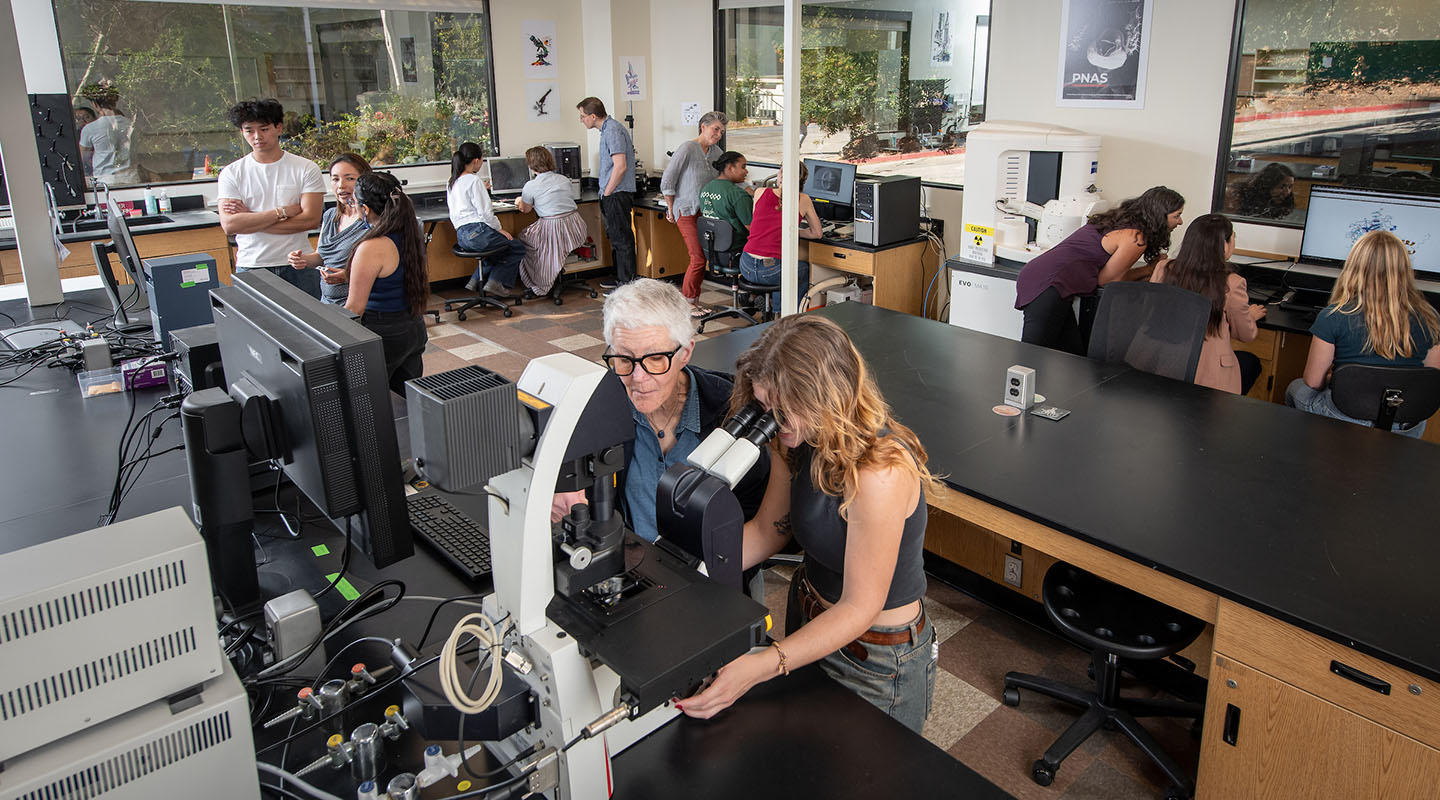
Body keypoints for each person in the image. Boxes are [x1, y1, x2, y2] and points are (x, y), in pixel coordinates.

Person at [679, 314, 940, 733]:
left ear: (825, 397)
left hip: (872, 656)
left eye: (783, 409)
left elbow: (860, 607)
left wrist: (762, 664)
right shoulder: (796, 441)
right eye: (765, 407)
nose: (772, 420)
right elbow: (768, 531)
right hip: (807, 620)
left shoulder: (879, 474)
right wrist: (685, 570)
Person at [551, 279, 769, 548]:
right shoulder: (594, 406)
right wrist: (555, 486)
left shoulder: (731, 408)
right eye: (624, 358)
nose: (638, 378)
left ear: (686, 353)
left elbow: (757, 507)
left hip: (718, 567)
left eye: (655, 358)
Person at [1285, 230, 1440, 437]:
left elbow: (1313, 381)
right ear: (1404, 270)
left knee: (1296, 388)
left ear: (1354, 267)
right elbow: (1429, 378)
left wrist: (1340, 379)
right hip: (1405, 424)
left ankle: (1306, 449)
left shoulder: (1333, 316)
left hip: (1345, 417)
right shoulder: (1430, 318)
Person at [1014, 186, 1185, 355]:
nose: (1180, 221)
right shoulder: (1136, 238)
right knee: (1032, 356)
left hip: (1044, 278)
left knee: (1073, 357)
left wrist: (1148, 270)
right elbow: (1108, 280)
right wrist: (1149, 269)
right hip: (1047, 283)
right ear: (1159, 216)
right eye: (1176, 216)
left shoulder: (1119, 222)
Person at [217, 99, 325, 298]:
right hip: (252, 266)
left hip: (297, 264)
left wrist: (249, 219)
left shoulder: (306, 168)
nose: (257, 137)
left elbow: (310, 220)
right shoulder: (231, 173)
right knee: (256, 328)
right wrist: (281, 212)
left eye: (264, 129)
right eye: (249, 130)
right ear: (242, 132)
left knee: (308, 327)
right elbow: (230, 225)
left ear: (278, 128)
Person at [1150, 214, 1266, 394]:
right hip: (1207, 378)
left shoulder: (1164, 268)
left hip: (1162, 365)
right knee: (1250, 362)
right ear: (1224, 245)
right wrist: (1250, 315)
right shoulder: (1232, 283)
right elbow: (1246, 335)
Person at [344, 172, 430, 394]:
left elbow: (355, 308)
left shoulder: (372, 246)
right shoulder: (410, 233)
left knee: (372, 403)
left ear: (366, 209)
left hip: (383, 333)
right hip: (413, 327)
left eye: (353, 202)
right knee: (407, 400)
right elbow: (394, 274)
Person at [661, 111, 727, 315]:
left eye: (721, 131)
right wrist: (670, 208)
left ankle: (694, 301)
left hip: (707, 211)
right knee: (697, 257)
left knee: (703, 257)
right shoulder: (687, 148)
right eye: (715, 129)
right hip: (686, 210)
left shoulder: (716, 153)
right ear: (703, 127)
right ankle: (686, 303)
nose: (718, 134)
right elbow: (668, 180)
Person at [286, 153, 372, 305]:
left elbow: (384, 270)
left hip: (359, 306)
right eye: (335, 179)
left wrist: (348, 275)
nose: (341, 185)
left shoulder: (372, 220)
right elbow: (321, 256)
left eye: (350, 178)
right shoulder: (330, 216)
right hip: (328, 303)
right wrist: (304, 259)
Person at [447, 142, 525, 298]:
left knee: (495, 250)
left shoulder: (452, 180)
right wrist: (499, 229)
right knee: (516, 247)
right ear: (476, 160)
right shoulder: (474, 181)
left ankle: (476, 279)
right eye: (482, 160)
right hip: (478, 233)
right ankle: (495, 282)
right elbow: (486, 213)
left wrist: (482, 188)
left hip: (462, 236)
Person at [739, 163, 819, 314]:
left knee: (780, 266)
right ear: (802, 180)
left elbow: (761, 224)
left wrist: (787, 230)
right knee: (800, 268)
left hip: (746, 265)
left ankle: (755, 297)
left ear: (780, 176)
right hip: (770, 270)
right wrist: (793, 231)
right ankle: (787, 314)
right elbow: (817, 233)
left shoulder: (760, 192)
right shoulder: (804, 199)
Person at [577, 97, 637, 291]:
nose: (581, 120)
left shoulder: (612, 130)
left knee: (622, 239)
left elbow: (620, 166)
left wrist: (608, 192)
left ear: (593, 116)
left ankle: (626, 285)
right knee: (616, 238)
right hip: (612, 192)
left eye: (582, 116)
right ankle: (620, 278)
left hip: (617, 193)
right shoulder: (608, 131)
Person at [515, 146, 591, 296]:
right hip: (575, 227)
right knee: (541, 240)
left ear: (530, 165)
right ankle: (555, 270)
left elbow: (526, 209)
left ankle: (540, 282)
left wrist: (519, 201)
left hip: (553, 228)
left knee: (524, 239)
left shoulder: (531, 186)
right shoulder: (564, 179)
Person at [78, 84, 138, 184]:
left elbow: (81, 156)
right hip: (130, 176)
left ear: (94, 104)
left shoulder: (90, 128)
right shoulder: (129, 124)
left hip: (105, 179)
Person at [699, 151, 754, 253]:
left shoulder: (706, 189)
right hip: (737, 249)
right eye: (743, 167)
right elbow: (753, 229)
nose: (746, 172)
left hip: (711, 249)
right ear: (729, 167)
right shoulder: (738, 194)